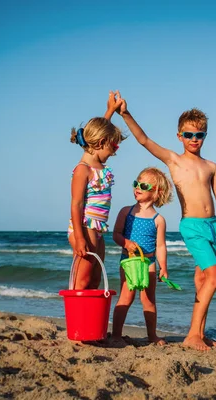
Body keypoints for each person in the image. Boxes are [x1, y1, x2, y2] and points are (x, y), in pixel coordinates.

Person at [116, 92, 216, 351]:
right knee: (214, 276)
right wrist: (125, 114)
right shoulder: (173, 160)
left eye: (199, 135)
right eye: (188, 135)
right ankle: (192, 336)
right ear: (179, 136)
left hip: (214, 226)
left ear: (205, 136)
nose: (194, 139)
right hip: (192, 226)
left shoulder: (211, 166)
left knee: (203, 280)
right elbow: (144, 140)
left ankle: (199, 332)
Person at [67, 92, 125, 290]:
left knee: (95, 279)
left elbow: (101, 130)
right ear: (100, 143)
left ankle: (88, 318)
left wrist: (110, 111)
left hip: (98, 227)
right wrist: (80, 237)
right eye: (113, 146)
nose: (114, 151)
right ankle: (76, 316)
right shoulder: (83, 169)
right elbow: (76, 204)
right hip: (85, 226)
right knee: (82, 279)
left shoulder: (98, 162)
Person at [111, 167, 174, 346]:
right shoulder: (126, 212)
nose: (137, 187)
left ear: (156, 192)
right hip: (129, 261)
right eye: (136, 183)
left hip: (148, 262)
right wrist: (126, 243)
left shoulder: (158, 220)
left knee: (148, 300)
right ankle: (116, 334)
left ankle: (152, 335)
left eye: (143, 185)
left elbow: (160, 246)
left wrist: (164, 267)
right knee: (126, 297)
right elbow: (116, 234)